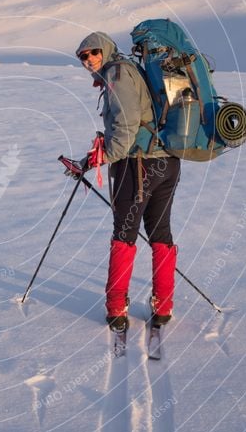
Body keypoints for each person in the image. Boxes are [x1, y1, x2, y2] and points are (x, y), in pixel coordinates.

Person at [68, 31, 180, 332]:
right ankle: (164, 305)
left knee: (124, 234)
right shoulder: (126, 71)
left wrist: (100, 158)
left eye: (92, 52)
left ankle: (116, 307)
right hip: (166, 163)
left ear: (105, 49)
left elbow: (127, 125)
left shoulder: (118, 73)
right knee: (160, 232)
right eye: (83, 56)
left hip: (140, 166)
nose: (88, 59)